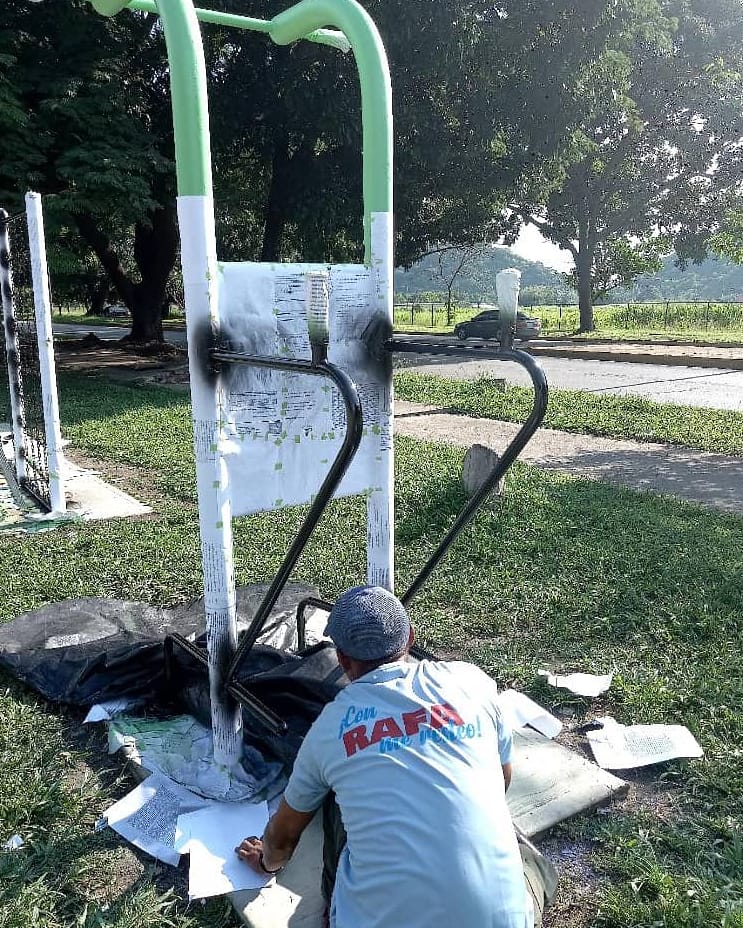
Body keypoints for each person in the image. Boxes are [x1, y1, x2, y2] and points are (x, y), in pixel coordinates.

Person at [236, 585, 556, 927]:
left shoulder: (331, 727)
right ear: (410, 637)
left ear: (342, 659)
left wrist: (266, 861)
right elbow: (501, 778)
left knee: (333, 797)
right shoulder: (472, 683)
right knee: (530, 863)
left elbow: (283, 837)